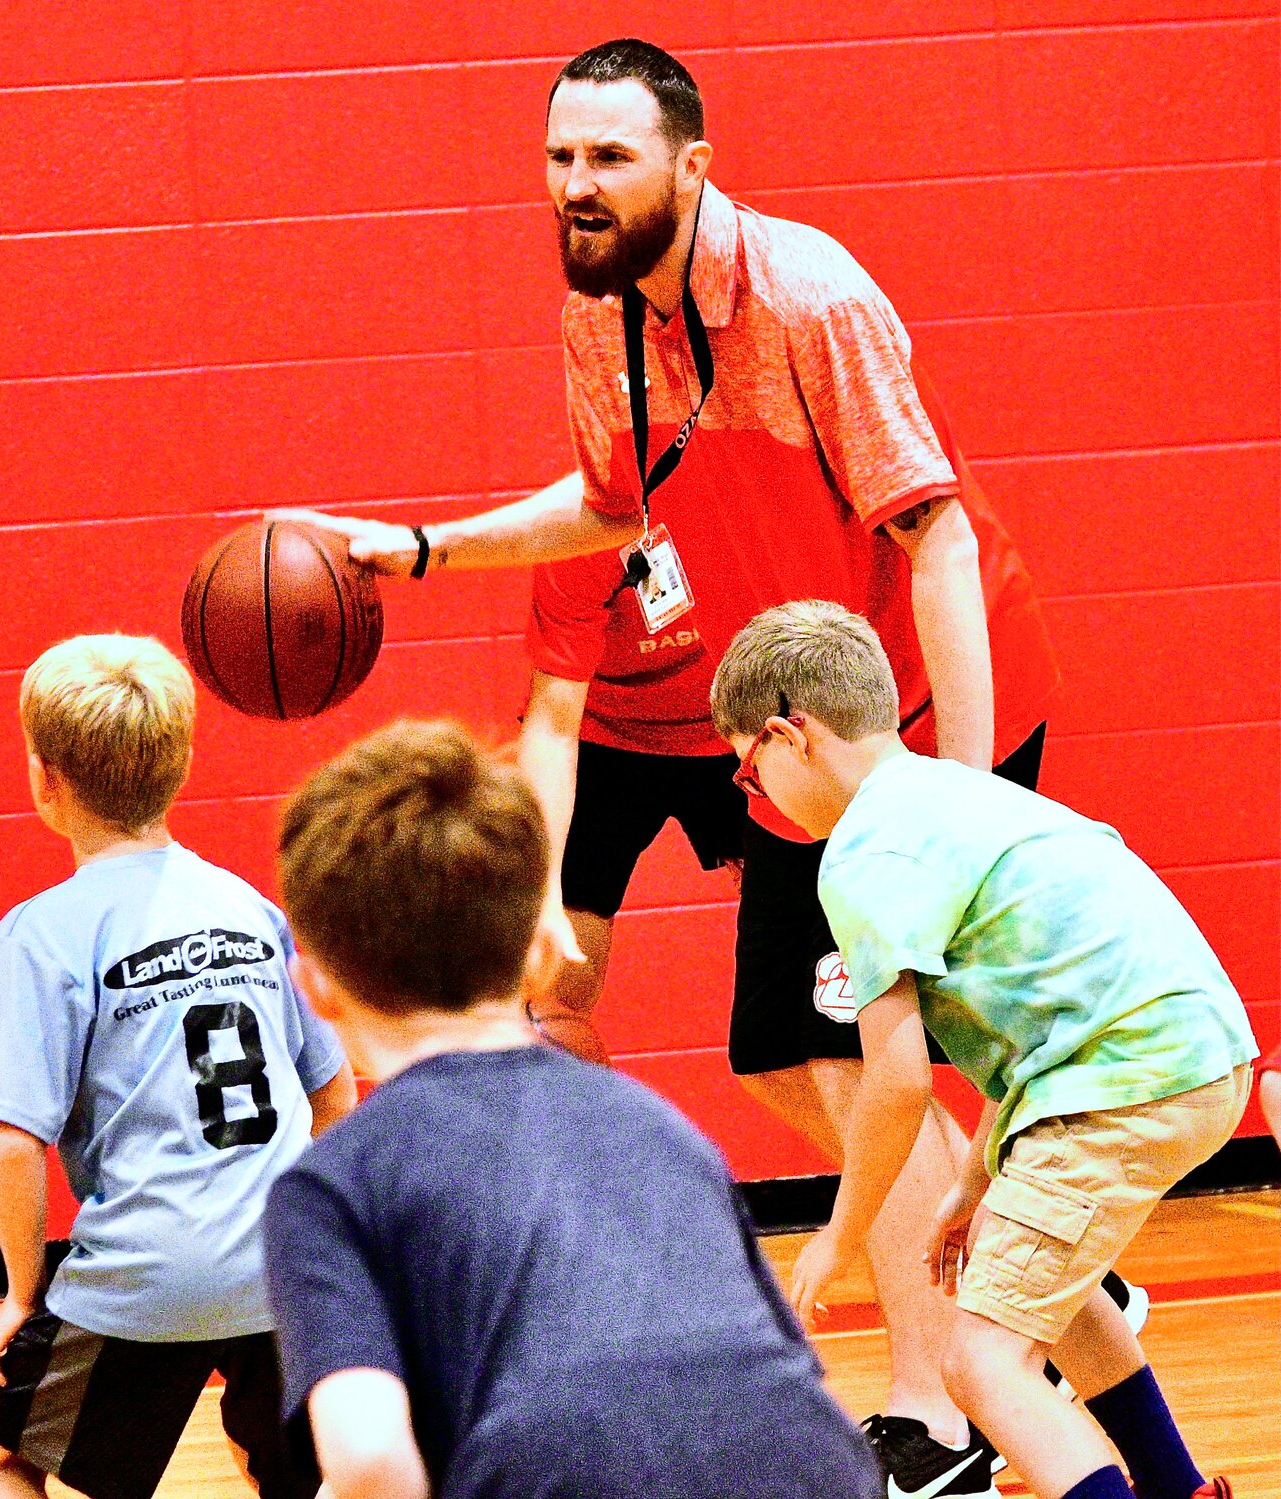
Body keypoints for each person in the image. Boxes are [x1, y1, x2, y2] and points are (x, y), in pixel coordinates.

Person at [277, 37, 1107, 1491]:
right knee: (788, 1049)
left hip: (905, 719)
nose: (575, 186)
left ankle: (937, 1414)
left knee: (858, 1053)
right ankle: (1061, 1305)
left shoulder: (808, 299)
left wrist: (955, 806)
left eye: (608, 156)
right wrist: (427, 549)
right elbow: (611, 504)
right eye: (557, 158)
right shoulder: (598, 318)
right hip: (799, 732)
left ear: (691, 165)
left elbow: (942, 537)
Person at [709, 598, 1257, 1499]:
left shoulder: (860, 853)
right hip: (1197, 1053)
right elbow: (1051, 1023)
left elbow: (894, 1082)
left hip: (1121, 1079)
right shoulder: (960, 792)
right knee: (1044, 1285)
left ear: (788, 734)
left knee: (979, 1360)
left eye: (746, 768)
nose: (754, 791)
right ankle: (1175, 1485)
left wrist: (837, 1237)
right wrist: (974, 1183)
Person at [263, 718, 883, 1499]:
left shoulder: (332, 1182)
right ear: (541, 953)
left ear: (312, 986)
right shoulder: (659, 1127)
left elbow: (369, 1460)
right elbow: (770, 1370)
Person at [0, 634, 356, 1499]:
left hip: (150, 1270)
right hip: (287, 1260)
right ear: (182, 763)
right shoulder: (250, 908)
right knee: (294, 1470)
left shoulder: (37, 935)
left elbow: (12, 1142)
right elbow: (332, 1089)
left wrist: (21, 1298)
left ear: (45, 779)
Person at [520, 538, 746, 1061]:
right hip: (604, 736)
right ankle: (556, 1134)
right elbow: (552, 722)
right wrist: (543, 885)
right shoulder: (576, 536)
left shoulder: (737, 494)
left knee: (811, 966)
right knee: (555, 993)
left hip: (735, 723)